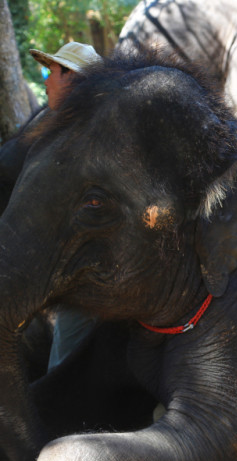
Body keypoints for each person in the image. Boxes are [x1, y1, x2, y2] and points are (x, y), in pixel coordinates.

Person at [30, 42, 103, 370]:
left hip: (90, 276)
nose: (45, 80)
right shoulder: (63, 128)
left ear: (73, 79)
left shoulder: (90, 136)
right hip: (67, 270)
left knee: (62, 368)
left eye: (51, 72)